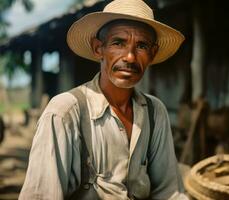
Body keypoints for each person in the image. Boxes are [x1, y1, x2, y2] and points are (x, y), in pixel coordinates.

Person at [19, 0, 187, 199]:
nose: (131, 57)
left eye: (141, 46)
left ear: (152, 54)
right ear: (98, 48)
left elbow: (168, 192)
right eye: (119, 43)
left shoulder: (154, 112)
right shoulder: (64, 113)